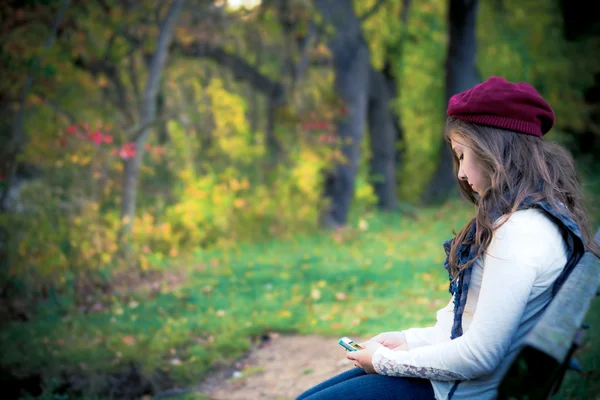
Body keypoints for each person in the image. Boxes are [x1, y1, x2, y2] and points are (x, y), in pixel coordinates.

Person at [296, 76, 600, 400]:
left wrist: (387, 362)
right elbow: (470, 327)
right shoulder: (541, 217)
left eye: (462, 155)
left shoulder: (519, 232)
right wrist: (407, 341)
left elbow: (479, 355)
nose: (461, 174)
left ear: (494, 152)